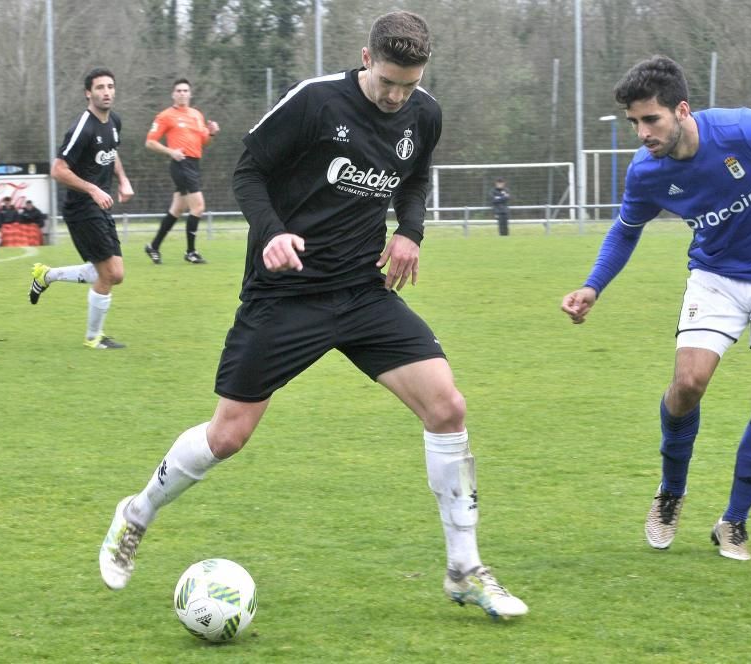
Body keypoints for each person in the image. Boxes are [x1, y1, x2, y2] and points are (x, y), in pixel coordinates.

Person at [98, 10, 527, 620]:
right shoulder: (315, 103)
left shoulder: (424, 113)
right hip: (286, 292)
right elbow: (248, 171)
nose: (397, 96)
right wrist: (272, 233)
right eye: (388, 83)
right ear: (365, 58)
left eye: (409, 84)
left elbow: (414, 177)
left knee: (447, 406)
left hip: (361, 291)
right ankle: (136, 514)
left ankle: (464, 569)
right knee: (228, 436)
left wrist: (410, 231)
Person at [560, 55, 751, 561]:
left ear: (682, 110)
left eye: (651, 119)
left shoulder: (744, 129)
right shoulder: (646, 172)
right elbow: (626, 230)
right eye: (634, 122)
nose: (642, 133)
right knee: (687, 384)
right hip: (715, 278)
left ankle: (734, 521)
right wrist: (593, 286)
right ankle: (670, 492)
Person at [28, 67, 134, 349]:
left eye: (110, 86)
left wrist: (122, 180)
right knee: (109, 274)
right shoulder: (82, 128)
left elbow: (113, 153)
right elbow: (57, 169)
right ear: (88, 93)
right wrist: (93, 188)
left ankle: (46, 275)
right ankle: (93, 338)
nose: (106, 92)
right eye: (100, 87)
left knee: (115, 274)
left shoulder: (114, 122)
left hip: (99, 206)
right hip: (81, 209)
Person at [142, 78, 220, 265]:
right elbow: (150, 142)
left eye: (185, 90)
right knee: (198, 207)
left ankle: (153, 246)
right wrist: (171, 152)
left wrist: (212, 133)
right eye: (179, 90)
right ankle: (191, 252)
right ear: (173, 94)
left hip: (194, 164)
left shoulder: (196, 115)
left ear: (190, 94)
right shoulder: (165, 116)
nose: (182, 93)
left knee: (177, 209)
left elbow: (205, 142)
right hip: (181, 164)